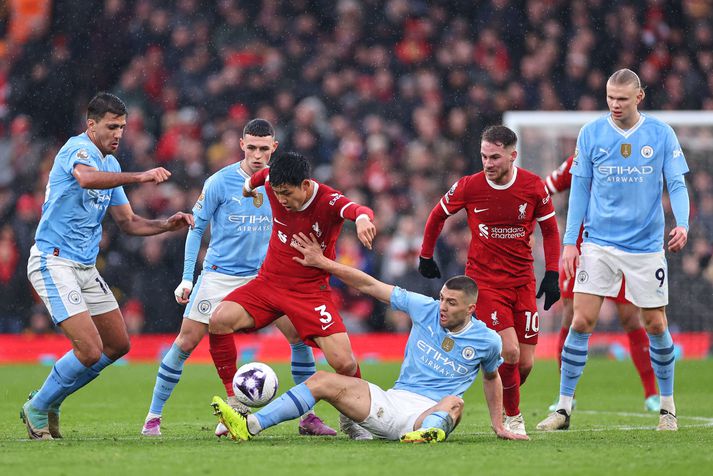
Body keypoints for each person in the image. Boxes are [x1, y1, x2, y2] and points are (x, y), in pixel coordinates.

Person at [210, 232, 528, 443]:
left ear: (471, 309)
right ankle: (248, 425)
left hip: (427, 414)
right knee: (321, 380)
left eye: (451, 303)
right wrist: (324, 263)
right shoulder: (426, 308)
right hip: (390, 404)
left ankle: (427, 434)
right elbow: (371, 286)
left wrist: (499, 423)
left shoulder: (487, 341)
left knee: (454, 402)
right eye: (443, 298)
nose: (442, 306)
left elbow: (492, 378)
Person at [141, 119, 335, 437]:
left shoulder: (281, 184)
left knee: (300, 338)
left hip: (266, 276)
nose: (258, 155)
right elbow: (196, 228)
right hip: (220, 275)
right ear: (242, 145)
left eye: (264, 148)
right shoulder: (219, 182)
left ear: (274, 148)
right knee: (186, 342)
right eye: (252, 147)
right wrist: (187, 278)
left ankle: (308, 417)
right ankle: (153, 417)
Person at [21, 92, 194, 440]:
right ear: (91, 124)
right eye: (112, 126)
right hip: (54, 261)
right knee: (89, 349)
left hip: (84, 267)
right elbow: (85, 178)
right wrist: (141, 177)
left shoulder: (112, 165)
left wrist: (165, 225)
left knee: (118, 345)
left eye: (123, 127)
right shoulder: (77, 150)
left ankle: (51, 400)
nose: (118, 134)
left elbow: (128, 222)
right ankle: (38, 405)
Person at [536, 69, 689, 432]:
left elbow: (677, 184)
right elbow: (580, 192)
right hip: (599, 245)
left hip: (645, 248)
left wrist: (682, 223)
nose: (614, 105)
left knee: (654, 323)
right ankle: (563, 408)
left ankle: (667, 408)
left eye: (622, 98)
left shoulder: (660, 134)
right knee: (581, 321)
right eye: (609, 97)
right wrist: (571, 243)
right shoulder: (591, 134)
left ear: (639, 97)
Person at [208, 151, 377, 439]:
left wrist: (362, 220)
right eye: (277, 193)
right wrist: (248, 188)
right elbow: (260, 177)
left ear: (306, 185)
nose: (282, 200)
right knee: (219, 320)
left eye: (287, 193)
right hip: (269, 283)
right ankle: (236, 405)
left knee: (345, 363)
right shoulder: (273, 180)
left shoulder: (327, 200)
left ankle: (353, 418)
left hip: (310, 292)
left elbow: (357, 209)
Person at [418, 125, 561, 437]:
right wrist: (426, 255)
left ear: (513, 155)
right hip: (485, 283)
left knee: (524, 363)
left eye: (495, 157)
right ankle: (513, 417)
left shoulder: (533, 187)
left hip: (522, 281)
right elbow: (436, 216)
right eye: (484, 156)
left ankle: (494, 385)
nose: (488, 163)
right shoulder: (470, 186)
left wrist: (552, 273)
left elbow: (550, 231)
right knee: (509, 351)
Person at [544, 155, 659, 413]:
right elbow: (545, 188)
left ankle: (652, 393)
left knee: (631, 318)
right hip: (584, 247)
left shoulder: (629, 161)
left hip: (624, 248)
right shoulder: (580, 158)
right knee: (573, 317)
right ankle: (566, 396)